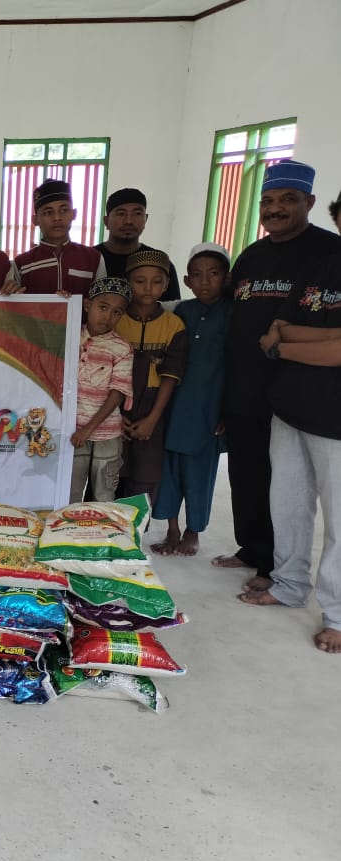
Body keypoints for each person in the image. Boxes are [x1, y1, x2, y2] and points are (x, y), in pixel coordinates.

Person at [215, 160, 341, 585]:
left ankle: (278, 568)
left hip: (303, 393)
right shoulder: (252, 255)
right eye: (268, 201)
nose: (276, 209)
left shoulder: (328, 252)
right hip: (246, 389)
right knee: (246, 474)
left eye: (288, 200)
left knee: (288, 490)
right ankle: (253, 549)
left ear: (309, 201)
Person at [239, 247, 341, 653]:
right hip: (291, 409)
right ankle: (289, 584)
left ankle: (336, 615)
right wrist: (321, 337)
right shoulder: (322, 264)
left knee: (339, 522)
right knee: (288, 503)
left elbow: (322, 346)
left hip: (336, 422)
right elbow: (280, 323)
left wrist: (285, 346)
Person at [151, 243, 231, 556]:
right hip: (174, 406)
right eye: (196, 275)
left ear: (226, 277)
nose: (205, 281)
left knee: (200, 476)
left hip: (209, 409)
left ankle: (192, 531)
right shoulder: (182, 311)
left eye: (213, 274)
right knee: (168, 472)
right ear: (186, 281)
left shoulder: (234, 313)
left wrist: (229, 411)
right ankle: (171, 530)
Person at [113, 249, 187, 501]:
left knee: (144, 479)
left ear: (166, 284)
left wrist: (152, 419)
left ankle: (135, 536)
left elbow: (170, 375)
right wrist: (114, 416)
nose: (148, 288)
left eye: (157, 282)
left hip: (153, 407)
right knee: (109, 474)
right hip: (115, 404)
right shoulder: (115, 320)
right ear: (128, 283)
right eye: (139, 281)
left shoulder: (173, 325)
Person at [70, 277, 134, 503]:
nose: (107, 317)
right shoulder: (69, 336)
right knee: (71, 493)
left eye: (117, 312)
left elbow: (117, 394)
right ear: (88, 306)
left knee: (104, 494)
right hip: (73, 431)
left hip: (106, 433)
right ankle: (69, 536)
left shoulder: (122, 348)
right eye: (103, 307)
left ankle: (100, 539)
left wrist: (89, 429)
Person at [8, 180, 105, 295]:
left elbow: (102, 300)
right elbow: (13, 307)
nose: (57, 218)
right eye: (48, 212)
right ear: (35, 220)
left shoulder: (93, 258)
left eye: (64, 210)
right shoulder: (22, 264)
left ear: (74, 214)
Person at [94, 188, 180, 302]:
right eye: (121, 214)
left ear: (146, 219)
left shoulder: (157, 261)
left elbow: (171, 309)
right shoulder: (90, 259)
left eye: (137, 213)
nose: (129, 221)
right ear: (106, 221)